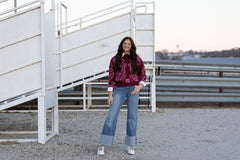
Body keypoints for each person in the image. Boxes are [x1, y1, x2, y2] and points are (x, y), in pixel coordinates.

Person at [97, 36, 146, 155]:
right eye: (125, 43)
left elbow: (143, 75)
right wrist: (110, 95)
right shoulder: (115, 59)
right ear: (121, 45)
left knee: (132, 117)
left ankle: (131, 144)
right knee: (111, 116)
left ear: (132, 46)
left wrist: (139, 87)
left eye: (129, 44)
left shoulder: (137, 59)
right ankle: (102, 144)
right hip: (118, 89)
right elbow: (110, 78)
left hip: (133, 89)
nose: (127, 46)